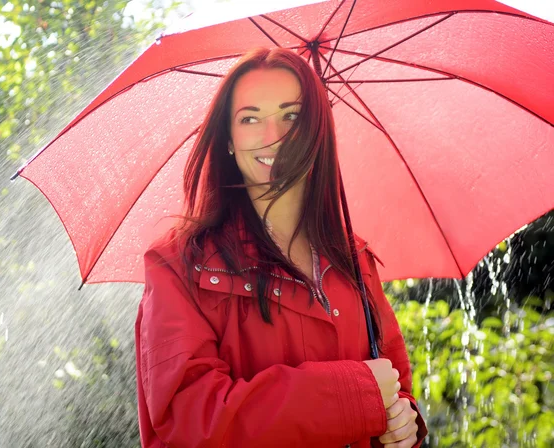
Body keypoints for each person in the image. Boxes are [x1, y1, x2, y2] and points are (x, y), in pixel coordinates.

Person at [135, 47, 428, 448]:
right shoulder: (179, 266)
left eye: (291, 115)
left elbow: (393, 384)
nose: (272, 136)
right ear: (229, 140)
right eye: (250, 118)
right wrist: (353, 396)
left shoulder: (353, 259)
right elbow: (189, 422)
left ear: (316, 129)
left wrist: (402, 423)